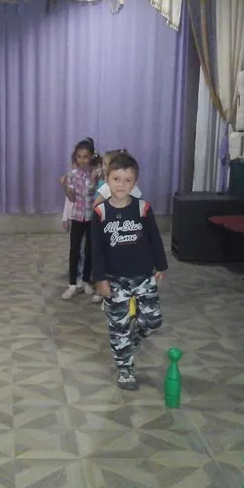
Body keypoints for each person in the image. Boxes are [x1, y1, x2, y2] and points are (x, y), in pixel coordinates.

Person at [92, 153, 168, 390]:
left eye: (127, 180)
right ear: (107, 180)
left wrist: (161, 265)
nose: (121, 185)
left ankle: (133, 338)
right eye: (116, 179)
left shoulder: (143, 208)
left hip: (143, 276)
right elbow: (95, 249)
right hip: (114, 279)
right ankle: (125, 369)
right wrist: (100, 278)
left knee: (153, 321)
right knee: (119, 327)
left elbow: (154, 238)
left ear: (135, 182)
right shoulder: (100, 212)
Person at [60, 138, 102, 300]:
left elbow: (100, 192)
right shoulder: (72, 174)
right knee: (75, 250)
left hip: (92, 216)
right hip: (77, 216)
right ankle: (72, 284)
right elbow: (71, 198)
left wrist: (95, 179)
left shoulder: (97, 173)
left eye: (85, 156)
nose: (82, 160)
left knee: (89, 249)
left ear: (91, 156)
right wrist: (64, 186)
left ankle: (85, 281)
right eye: (79, 157)